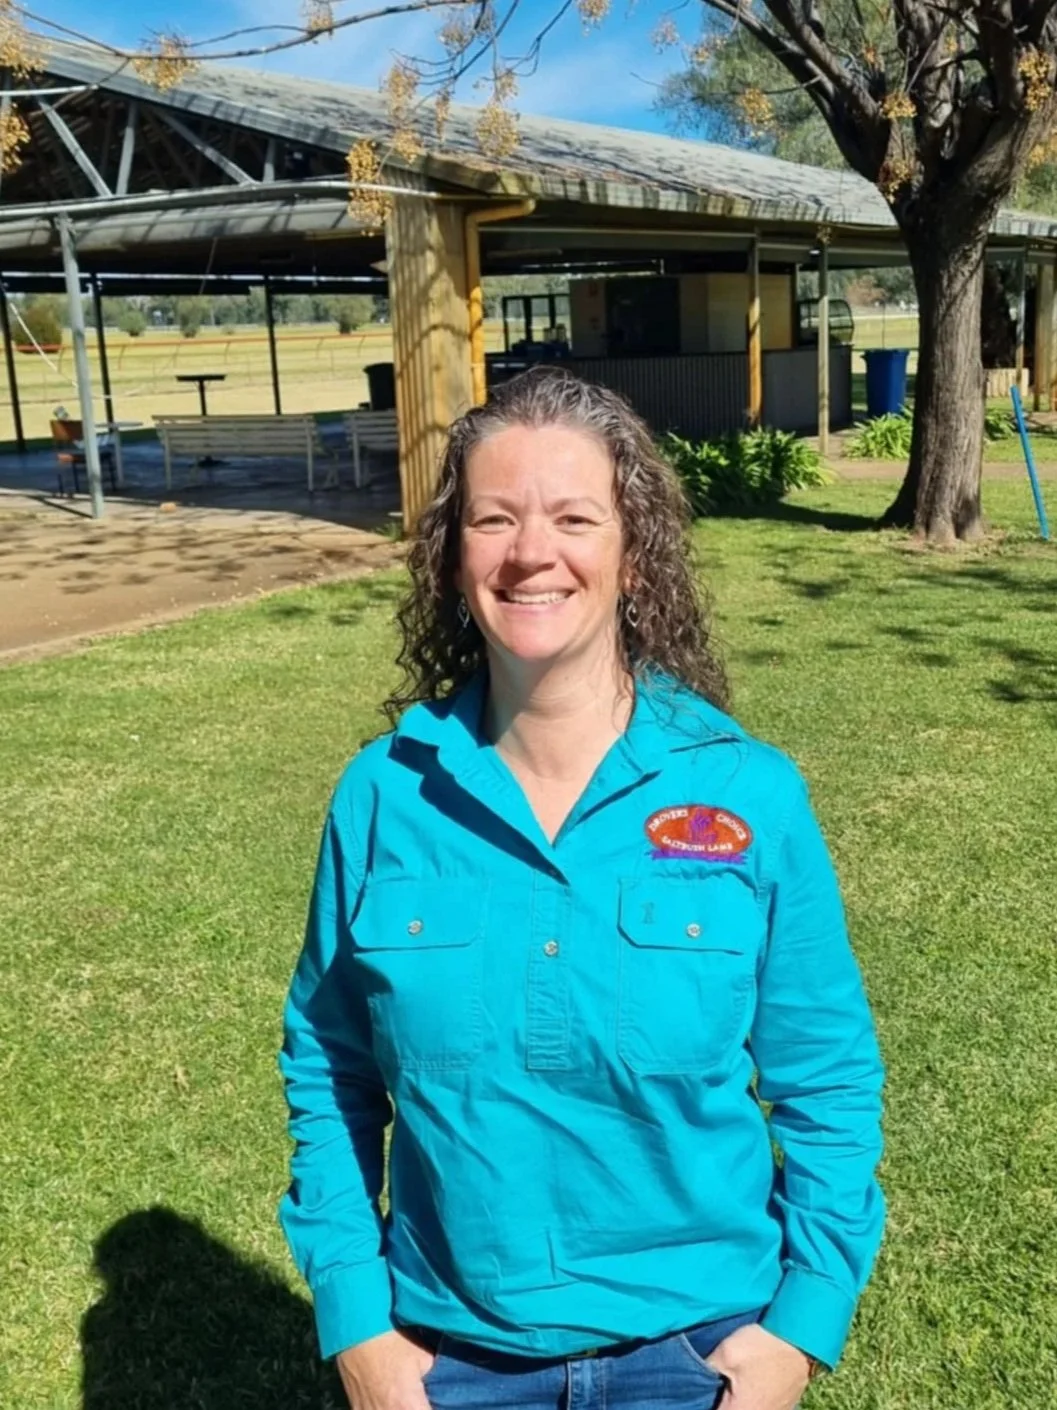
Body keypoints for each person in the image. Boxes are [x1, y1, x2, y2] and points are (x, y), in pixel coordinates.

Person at [279, 367, 885, 1410]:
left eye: (573, 517)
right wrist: (359, 1328)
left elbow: (825, 1078)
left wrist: (798, 1330)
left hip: (698, 1356)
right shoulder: (383, 796)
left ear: (632, 554)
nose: (530, 553)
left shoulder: (749, 791)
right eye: (493, 518)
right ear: (451, 555)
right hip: (446, 1359)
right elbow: (326, 1068)